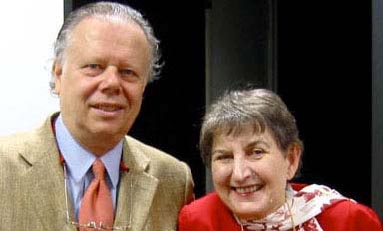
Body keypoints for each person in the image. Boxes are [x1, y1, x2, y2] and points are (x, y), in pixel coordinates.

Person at [0, 2, 194, 231]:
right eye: (94, 66)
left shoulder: (173, 179)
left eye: (128, 72)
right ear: (58, 74)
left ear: (144, 86)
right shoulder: (4, 166)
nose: (112, 83)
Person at [178, 88, 382, 230]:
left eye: (256, 152)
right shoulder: (198, 221)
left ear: (291, 159)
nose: (240, 174)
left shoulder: (349, 222)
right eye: (224, 157)